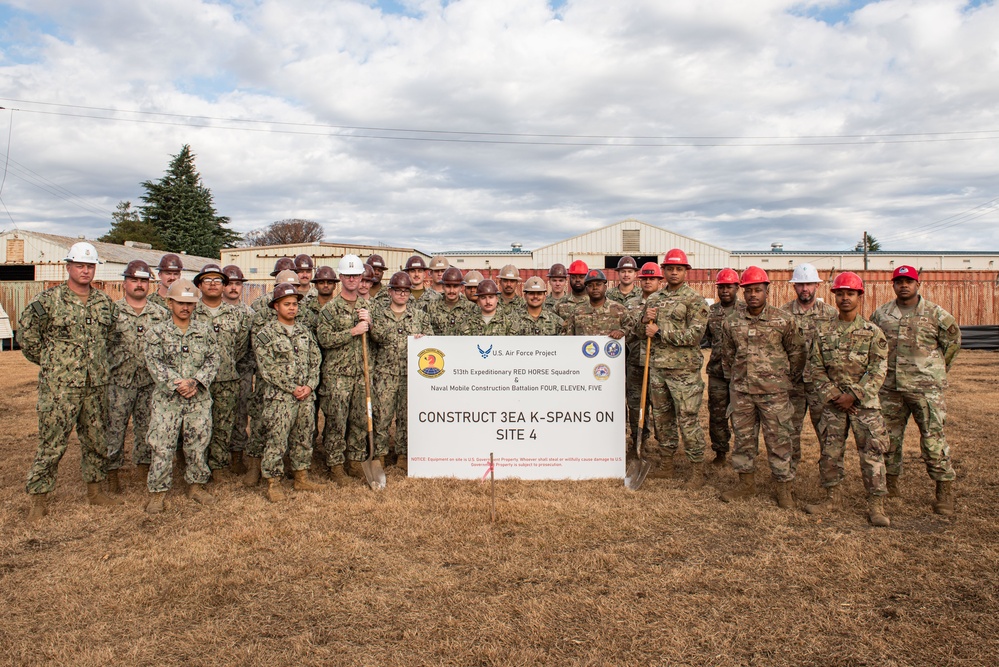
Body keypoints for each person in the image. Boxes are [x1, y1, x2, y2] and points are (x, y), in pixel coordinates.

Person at [18, 242, 123, 523]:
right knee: (52, 443)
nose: (85, 270)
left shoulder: (104, 303)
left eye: (89, 266)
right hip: (60, 387)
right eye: (80, 265)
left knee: (96, 440)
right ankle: (39, 498)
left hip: (95, 385)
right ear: (69, 267)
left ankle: (95, 491)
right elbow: (27, 337)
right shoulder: (48, 301)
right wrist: (52, 363)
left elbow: (111, 338)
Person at [871, 265, 961, 515]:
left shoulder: (936, 314)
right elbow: (873, 346)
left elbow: (952, 344)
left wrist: (934, 371)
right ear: (893, 285)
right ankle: (891, 485)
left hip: (925, 390)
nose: (904, 285)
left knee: (933, 440)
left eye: (908, 281)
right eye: (899, 281)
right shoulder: (881, 315)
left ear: (917, 284)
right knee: (888, 439)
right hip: (890, 389)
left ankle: (944, 490)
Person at [803, 272, 890, 527]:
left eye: (850, 293)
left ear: (859, 296)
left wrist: (854, 395)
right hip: (833, 405)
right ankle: (832, 498)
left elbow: (878, 369)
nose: (845, 298)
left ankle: (876, 505)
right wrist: (834, 395)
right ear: (834, 296)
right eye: (840, 294)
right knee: (830, 452)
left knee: (872, 453)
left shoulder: (873, 332)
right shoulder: (823, 331)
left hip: (864, 406)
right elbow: (816, 367)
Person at [718, 266, 804, 509]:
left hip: (773, 393)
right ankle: (746, 484)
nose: (753, 295)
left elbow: (797, 353)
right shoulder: (731, 322)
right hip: (742, 392)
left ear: (767, 290)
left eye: (758, 290)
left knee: (779, 440)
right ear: (743, 292)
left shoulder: (783, 320)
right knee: (743, 440)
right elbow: (728, 355)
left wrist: (784, 380)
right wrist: (737, 380)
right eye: (749, 291)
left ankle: (783, 488)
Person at [143, 279, 220, 514]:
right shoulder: (157, 332)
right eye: (180, 303)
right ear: (169, 303)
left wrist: (196, 381)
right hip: (168, 400)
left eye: (189, 303)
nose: (185, 307)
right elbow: (154, 361)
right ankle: (158, 492)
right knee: (162, 446)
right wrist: (178, 384)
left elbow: (213, 358)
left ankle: (196, 486)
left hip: (197, 398)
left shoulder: (204, 331)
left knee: (197, 444)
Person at [636, 249, 709, 488]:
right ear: (663, 271)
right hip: (658, 369)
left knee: (687, 419)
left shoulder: (695, 300)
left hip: (684, 372)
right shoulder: (654, 299)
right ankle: (666, 464)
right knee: (662, 419)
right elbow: (641, 333)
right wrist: (644, 320)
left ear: (686, 271)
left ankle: (696, 469)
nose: (674, 273)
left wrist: (660, 332)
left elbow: (695, 336)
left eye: (678, 269)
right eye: (670, 269)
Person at [252, 282, 323, 501]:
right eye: (287, 304)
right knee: (276, 439)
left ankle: (301, 476)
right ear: (276, 306)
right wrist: (293, 388)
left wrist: (309, 385)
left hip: (305, 396)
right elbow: (267, 368)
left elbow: (316, 360)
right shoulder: (266, 334)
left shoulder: (304, 332)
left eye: (294, 304)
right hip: (280, 398)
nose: (292, 308)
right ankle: (273, 481)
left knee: (304, 436)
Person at [106, 259, 169, 493]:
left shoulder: (160, 314)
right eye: (134, 280)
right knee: (114, 430)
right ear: (124, 283)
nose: (139, 284)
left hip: (149, 383)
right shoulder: (112, 313)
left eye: (143, 280)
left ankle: (144, 471)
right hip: (119, 382)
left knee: (147, 430)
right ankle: (111, 475)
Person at [370, 272, 434, 473]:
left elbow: (431, 341)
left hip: (410, 374)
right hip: (385, 373)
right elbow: (376, 337)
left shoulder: (420, 316)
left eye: (406, 291)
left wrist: (423, 338)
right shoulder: (379, 316)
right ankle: (379, 454)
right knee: (382, 415)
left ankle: (403, 454)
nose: (402, 294)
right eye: (398, 290)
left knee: (406, 416)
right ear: (390, 292)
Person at [316, 255, 372, 485]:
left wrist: (371, 324)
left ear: (361, 278)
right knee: (336, 421)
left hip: (361, 374)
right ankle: (336, 465)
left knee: (359, 420)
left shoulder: (367, 307)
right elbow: (324, 339)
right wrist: (352, 332)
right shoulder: (330, 309)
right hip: (337, 375)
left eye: (356, 276)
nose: (352, 279)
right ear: (340, 277)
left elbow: (380, 338)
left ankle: (355, 460)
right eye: (348, 276)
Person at [192, 263, 250, 478]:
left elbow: (240, 346)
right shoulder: (192, 312)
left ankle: (217, 468)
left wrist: (226, 363)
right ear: (199, 285)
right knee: (198, 426)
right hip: (198, 382)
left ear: (223, 285)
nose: (213, 284)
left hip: (226, 379)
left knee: (224, 426)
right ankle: (197, 468)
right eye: (207, 280)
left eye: (217, 280)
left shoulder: (236, 314)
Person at [782, 263, 837, 474]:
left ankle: (829, 474)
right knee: (789, 430)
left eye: (809, 284)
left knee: (827, 431)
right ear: (794, 287)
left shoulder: (830, 314)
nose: (805, 289)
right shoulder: (783, 314)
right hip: (793, 384)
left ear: (817, 286)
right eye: (800, 284)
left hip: (820, 385)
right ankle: (789, 471)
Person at [624, 262, 663, 461]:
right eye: (645, 278)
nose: (648, 282)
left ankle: (665, 447)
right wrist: (642, 322)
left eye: (652, 278)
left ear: (659, 281)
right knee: (636, 405)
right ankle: (639, 441)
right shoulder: (630, 304)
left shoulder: (666, 303)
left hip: (659, 364)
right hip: (635, 362)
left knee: (661, 407)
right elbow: (628, 333)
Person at [704, 269, 741, 466]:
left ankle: (743, 453)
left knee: (742, 416)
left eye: (729, 287)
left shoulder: (745, 311)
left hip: (740, 373)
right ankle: (720, 451)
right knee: (717, 414)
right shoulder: (711, 312)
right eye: (721, 287)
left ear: (737, 288)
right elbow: (705, 338)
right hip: (717, 372)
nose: (725, 291)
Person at [222, 264, 254, 474]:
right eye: (229, 283)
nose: (234, 288)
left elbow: (252, 346)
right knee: (216, 416)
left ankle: (236, 457)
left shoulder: (249, 314)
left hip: (242, 373)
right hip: (216, 374)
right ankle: (214, 459)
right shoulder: (209, 312)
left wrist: (246, 369)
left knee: (241, 415)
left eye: (237, 284)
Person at [426, 266, 477, 335]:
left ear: (461, 287)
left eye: (455, 286)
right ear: (443, 286)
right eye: (448, 286)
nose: (451, 291)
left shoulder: (472, 309)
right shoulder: (430, 308)